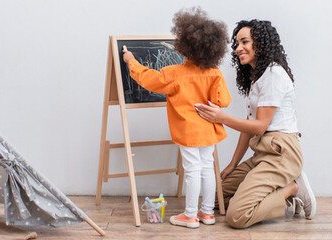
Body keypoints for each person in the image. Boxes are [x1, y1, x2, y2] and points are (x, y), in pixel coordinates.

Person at [195, 19, 316, 229]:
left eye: (244, 42)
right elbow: (249, 128)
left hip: (281, 153)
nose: (238, 49)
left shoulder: (273, 74)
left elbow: (260, 127)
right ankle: (269, 189)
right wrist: (233, 164)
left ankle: (292, 188)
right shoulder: (257, 77)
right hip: (262, 153)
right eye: (236, 44)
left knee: (237, 215)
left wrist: (221, 118)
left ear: (260, 43)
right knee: (215, 198)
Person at [122, 7, 230, 229]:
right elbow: (223, 102)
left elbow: (147, 78)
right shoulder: (215, 73)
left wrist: (131, 61)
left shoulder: (174, 74)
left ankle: (190, 216)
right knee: (207, 167)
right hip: (208, 129)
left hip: (187, 131)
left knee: (192, 169)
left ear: (185, 46)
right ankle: (207, 213)